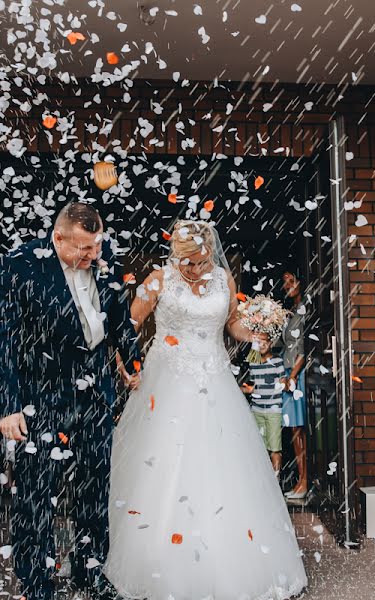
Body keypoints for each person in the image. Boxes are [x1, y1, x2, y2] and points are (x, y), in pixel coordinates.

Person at [105, 220, 307, 600]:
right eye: (186, 262)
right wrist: (125, 368)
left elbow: (230, 322)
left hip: (214, 379)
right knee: (164, 464)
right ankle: (158, 558)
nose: (194, 270)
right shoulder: (158, 278)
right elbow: (128, 325)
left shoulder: (222, 280)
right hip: (167, 379)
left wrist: (253, 332)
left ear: (210, 252)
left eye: (199, 261)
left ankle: (232, 560)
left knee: (221, 462)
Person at [0, 202, 140, 600]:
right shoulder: (21, 264)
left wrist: (132, 361)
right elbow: (0, 339)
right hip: (42, 398)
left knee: (94, 490)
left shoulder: (104, 260)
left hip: (95, 397)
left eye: (96, 247)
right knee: (37, 495)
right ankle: (36, 582)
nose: (92, 256)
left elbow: (120, 318)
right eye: (83, 249)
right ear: (58, 238)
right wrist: (7, 404)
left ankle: (90, 570)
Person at [280, 269, 309, 500]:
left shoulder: (304, 310)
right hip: (289, 372)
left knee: (298, 429)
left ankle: (304, 481)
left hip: (296, 375)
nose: (288, 285)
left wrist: (293, 375)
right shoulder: (292, 313)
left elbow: (304, 347)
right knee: (293, 429)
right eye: (285, 283)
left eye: (292, 280)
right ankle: (301, 479)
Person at [247, 338, 286, 471]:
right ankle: (265, 481)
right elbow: (250, 383)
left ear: (271, 343)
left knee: (275, 448)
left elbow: (283, 381)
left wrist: (287, 382)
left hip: (273, 410)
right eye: (259, 342)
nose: (262, 345)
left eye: (265, 342)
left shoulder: (277, 361)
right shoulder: (253, 361)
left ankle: (276, 481)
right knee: (260, 448)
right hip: (256, 410)